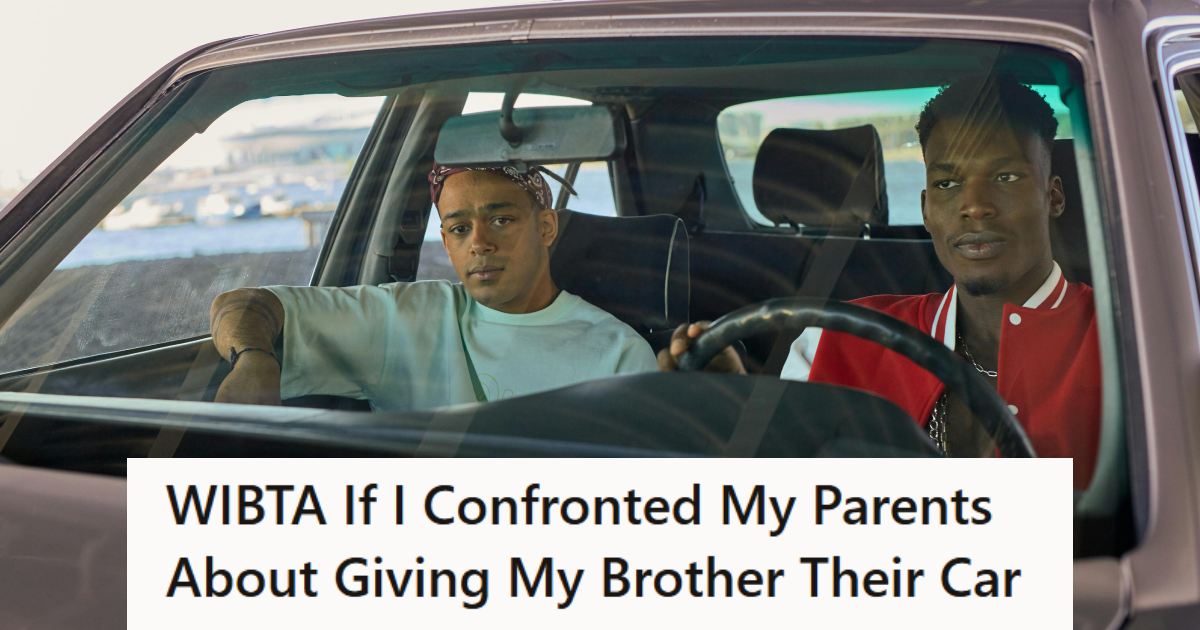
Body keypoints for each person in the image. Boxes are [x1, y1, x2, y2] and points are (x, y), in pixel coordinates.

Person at [661, 75, 1100, 487]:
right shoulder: (838, 337)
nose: (974, 206)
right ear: (927, 209)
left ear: (1053, 195)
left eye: (1006, 177)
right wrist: (733, 406)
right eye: (947, 183)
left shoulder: (1130, 344)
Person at [210, 163, 657, 411]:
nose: (479, 243)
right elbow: (244, 304)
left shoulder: (616, 351)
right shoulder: (406, 316)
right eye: (460, 229)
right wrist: (253, 362)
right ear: (445, 241)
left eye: (501, 220)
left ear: (545, 227)